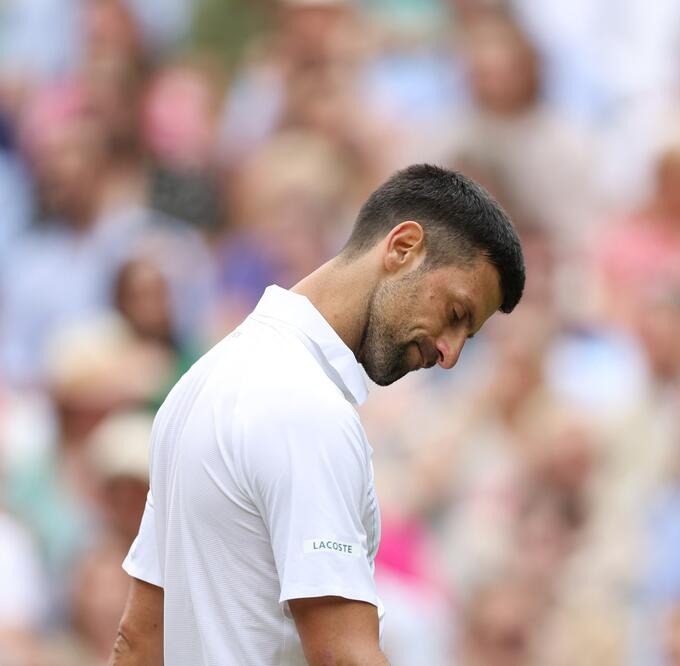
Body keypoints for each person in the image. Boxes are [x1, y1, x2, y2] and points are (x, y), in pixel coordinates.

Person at [110, 164, 525, 666]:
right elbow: (343, 656)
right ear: (402, 248)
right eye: (456, 315)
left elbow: (138, 640)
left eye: (467, 335)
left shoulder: (201, 381)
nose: (450, 353)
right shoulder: (306, 408)